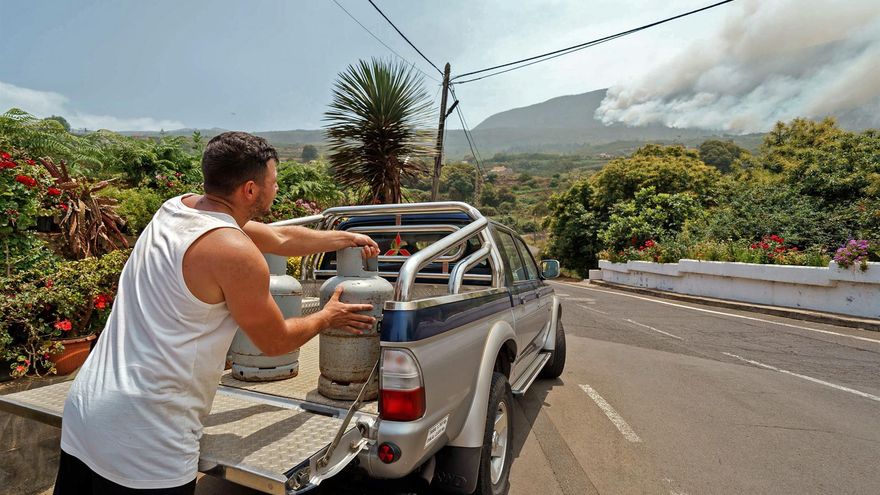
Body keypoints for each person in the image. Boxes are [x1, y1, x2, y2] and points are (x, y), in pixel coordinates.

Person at [54, 131, 380, 494]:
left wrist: (346, 238)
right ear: (251, 190)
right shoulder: (234, 252)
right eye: (274, 181)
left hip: (86, 416)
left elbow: (282, 240)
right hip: (146, 439)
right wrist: (327, 315)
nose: (277, 188)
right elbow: (275, 341)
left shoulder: (177, 208)